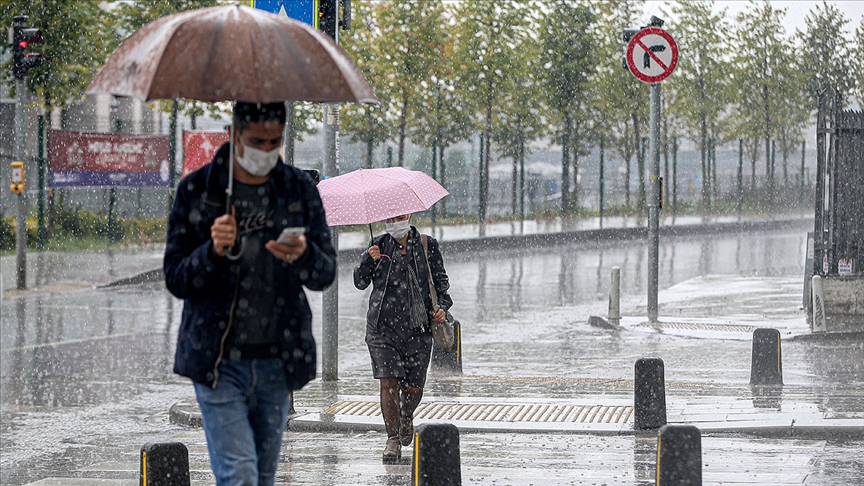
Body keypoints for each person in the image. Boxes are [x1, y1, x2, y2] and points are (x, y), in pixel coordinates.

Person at [164, 101, 336, 485]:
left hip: (277, 360)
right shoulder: (198, 191)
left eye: (275, 142)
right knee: (239, 474)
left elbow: (324, 273)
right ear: (235, 134)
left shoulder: (297, 190)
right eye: (257, 141)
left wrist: (303, 254)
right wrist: (212, 251)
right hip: (218, 362)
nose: (266, 151)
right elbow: (176, 277)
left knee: (261, 475)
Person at [353, 213, 453, 463]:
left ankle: (406, 415)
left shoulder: (427, 245)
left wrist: (442, 306)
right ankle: (393, 438)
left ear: (409, 216)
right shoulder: (378, 245)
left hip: (418, 328)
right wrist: (367, 260)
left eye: (399, 217)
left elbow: (440, 281)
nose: (394, 222)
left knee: (414, 387)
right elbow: (360, 282)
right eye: (390, 218)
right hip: (382, 328)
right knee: (389, 381)